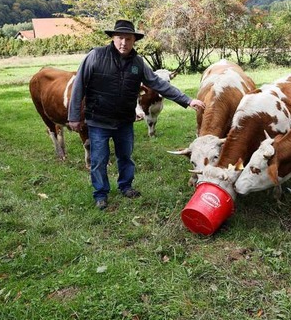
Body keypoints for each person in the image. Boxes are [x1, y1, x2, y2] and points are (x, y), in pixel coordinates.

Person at [68, 19, 205, 210]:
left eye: (128, 39)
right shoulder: (96, 56)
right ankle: (101, 194)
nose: (124, 43)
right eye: (120, 38)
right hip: (98, 119)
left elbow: (158, 84)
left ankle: (126, 186)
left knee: (125, 156)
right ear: (113, 38)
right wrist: (74, 115)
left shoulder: (137, 63)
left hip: (124, 120)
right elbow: (79, 85)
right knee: (99, 159)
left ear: (134, 41)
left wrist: (187, 100)